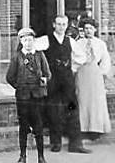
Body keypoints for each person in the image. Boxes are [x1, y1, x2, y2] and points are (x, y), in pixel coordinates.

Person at [36, 14, 90, 154]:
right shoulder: (46, 40)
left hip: (67, 80)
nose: (61, 27)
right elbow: (31, 50)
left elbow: (81, 57)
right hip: (53, 79)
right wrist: (42, 71)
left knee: (72, 108)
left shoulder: (70, 41)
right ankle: (56, 142)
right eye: (59, 24)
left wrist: (72, 68)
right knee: (54, 110)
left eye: (64, 24)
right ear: (54, 25)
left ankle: (75, 144)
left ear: (67, 26)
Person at [6, 27, 51, 163]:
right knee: (23, 126)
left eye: (30, 40)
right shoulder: (17, 57)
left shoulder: (39, 55)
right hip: (23, 97)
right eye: (25, 40)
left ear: (34, 41)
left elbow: (48, 73)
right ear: (21, 42)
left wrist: (44, 79)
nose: (28, 43)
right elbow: (9, 77)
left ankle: (41, 158)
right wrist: (19, 86)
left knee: (38, 126)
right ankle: (22, 156)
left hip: (37, 96)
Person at [73, 17, 112, 136]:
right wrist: (74, 70)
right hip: (82, 73)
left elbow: (105, 60)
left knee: (96, 101)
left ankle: (96, 128)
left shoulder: (100, 44)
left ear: (95, 29)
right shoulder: (78, 43)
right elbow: (73, 59)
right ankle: (83, 128)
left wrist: (102, 72)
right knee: (82, 99)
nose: (88, 30)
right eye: (86, 28)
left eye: (91, 28)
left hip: (95, 74)